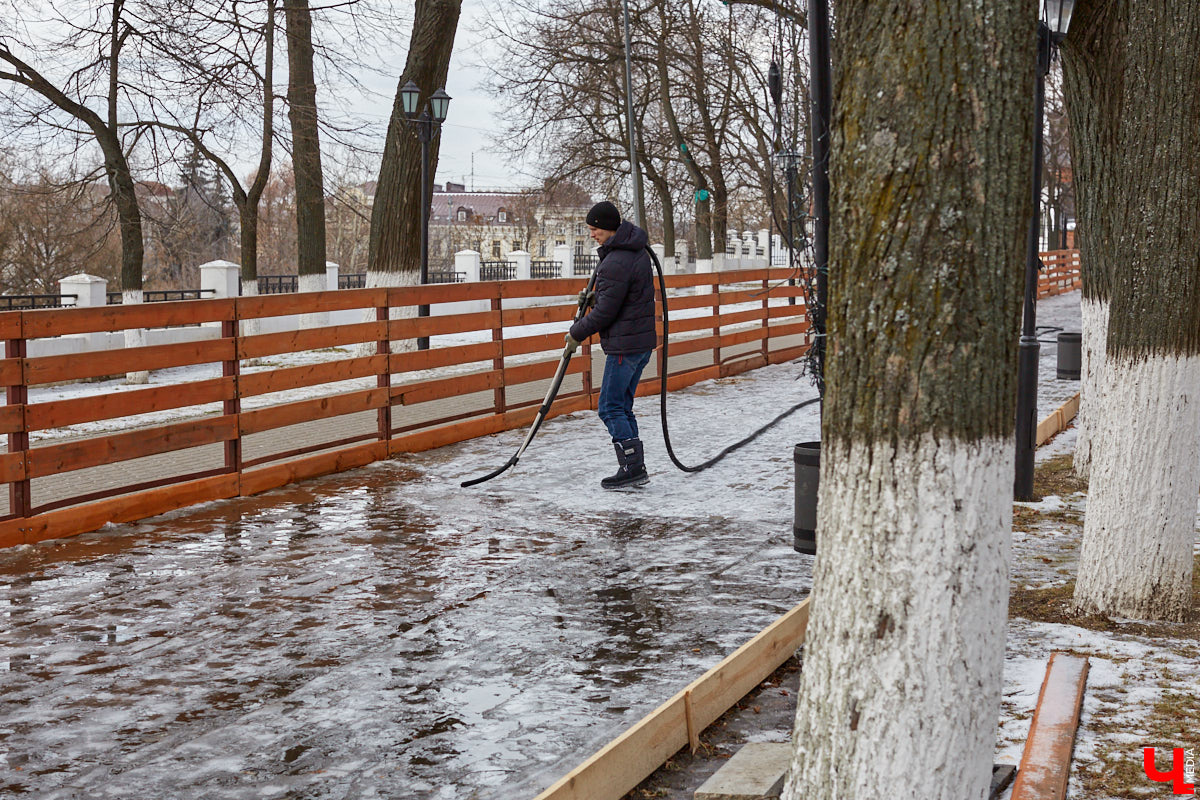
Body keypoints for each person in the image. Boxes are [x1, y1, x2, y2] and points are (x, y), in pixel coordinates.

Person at [564, 201, 657, 489]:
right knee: (623, 406)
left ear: (607, 227)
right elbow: (620, 296)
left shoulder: (616, 260)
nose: (592, 235)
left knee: (609, 407)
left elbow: (606, 313)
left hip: (624, 346)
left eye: (594, 229)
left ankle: (631, 467)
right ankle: (634, 465)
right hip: (638, 343)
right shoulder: (634, 251)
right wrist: (598, 297)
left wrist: (576, 333)